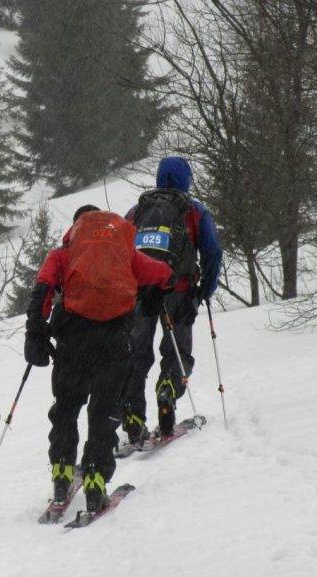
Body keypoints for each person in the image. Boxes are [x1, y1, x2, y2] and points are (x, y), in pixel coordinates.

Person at [24, 205, 173, 512]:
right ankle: (95, 482)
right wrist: (168, 281)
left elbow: (43, 287)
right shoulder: (124, 255)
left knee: (66, 408)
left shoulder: (63, 254)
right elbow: (160, 273)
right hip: (114, 338)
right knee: (104, 412)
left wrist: (36, 330)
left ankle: (62, 477)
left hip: (73, 337)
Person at [122, 156, 222, 444]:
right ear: (185, 180)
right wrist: (204, 290)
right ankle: (167, 388)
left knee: (136, 355)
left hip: (140, 293)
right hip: (179, 291)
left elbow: (122, 253)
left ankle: (133, 416)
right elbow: (213, 252)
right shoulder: (194, 211)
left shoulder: (137, 211)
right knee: (178, 350)